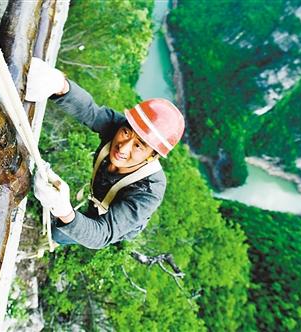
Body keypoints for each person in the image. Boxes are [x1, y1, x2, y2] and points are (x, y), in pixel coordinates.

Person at [25, 58, 185, 249]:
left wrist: (64, 210)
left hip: (117, 221)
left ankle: (49, 241)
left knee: (61, 232)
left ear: (153, 155)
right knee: (70, 223)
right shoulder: (118, 127)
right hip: (99, 196)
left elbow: (103, 233)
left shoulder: (148, 192)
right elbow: (91, 112)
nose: (123, 147)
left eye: (139, 146)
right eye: (126, 132)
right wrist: (61, 86)